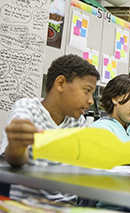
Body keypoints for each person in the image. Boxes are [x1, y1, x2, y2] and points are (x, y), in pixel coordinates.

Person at [0, 54, 100, 202]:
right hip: (28, 206)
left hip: (68, 207)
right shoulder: (28, 108)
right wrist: (17, 146)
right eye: (87, 90)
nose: (91, 100)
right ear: (60, 83)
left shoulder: (78, 122)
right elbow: (15, 160)